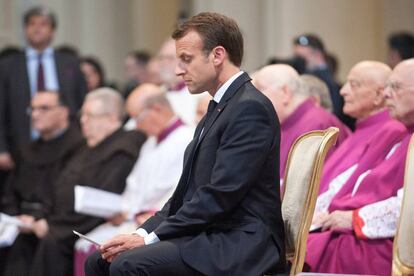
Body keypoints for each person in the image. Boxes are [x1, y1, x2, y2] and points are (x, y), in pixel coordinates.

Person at [86, 12, 285, 276]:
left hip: (240, 240)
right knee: (99, 260)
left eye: (186, 60)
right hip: (213, 232)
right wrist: (142, 232)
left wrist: (149, 240)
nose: (179, 71)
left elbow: (221, 195)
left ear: (217, 55)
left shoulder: (249, 108)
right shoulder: (218, 107)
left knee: (128, 264)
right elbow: (183, 194)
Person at [3, 88, 145, 276]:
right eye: (82, 114)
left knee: (51, 242)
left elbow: (102, 202)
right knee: (22, 242)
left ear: (111, 118)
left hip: (79, 228)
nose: (83, 120)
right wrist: (41, 218)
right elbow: (58, 186)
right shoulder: (88, 146)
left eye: (89, 115)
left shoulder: (121, 150)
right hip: (61, 222)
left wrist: (53, 226)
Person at [306, 59, 414, 275]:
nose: (386, 95)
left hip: (385, 239)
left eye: (396, 87)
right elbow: (349, 183)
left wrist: (356, 219)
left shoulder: (393, 130)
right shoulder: (405, 133)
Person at [73, 84, 194, 276]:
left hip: (154, 220)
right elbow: (134, 185)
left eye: (138, 117)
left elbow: (176, 191)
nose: (136, 126)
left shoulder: (186, 139)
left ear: (156, 109)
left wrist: (134, 213)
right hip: (132, 216)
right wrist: (122, 209)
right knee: (86, 245)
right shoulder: (150, 142)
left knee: (103, 253)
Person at [0, 5, 87, 186]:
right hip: (20, 144)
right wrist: (2, 148)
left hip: (66, 145)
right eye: (32, 24)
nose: (37, 28)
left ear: (53, 30)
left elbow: (81, 101)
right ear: (25, 29)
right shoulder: (8, 65)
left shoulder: (68, 62)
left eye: (43, 24)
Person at [0, 91, 84, 273]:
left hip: (55, 224)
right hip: (21, 226)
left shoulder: (79, 147)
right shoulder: (27, 150)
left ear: (63, 111)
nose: (36, 114)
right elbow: (11, 192)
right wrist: (15, 216)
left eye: (44, 108)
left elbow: (68, 193)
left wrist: (39, 219)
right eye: (33, 109)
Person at [316, 61, 406, 196]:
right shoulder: (362, 128)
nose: (343, 91)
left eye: (354, 85)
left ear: (379, 96)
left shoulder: (392, 131)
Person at [253, 64, 351, 181]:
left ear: (285, 93)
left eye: (259, 90)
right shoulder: (283, 123)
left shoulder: (317, 124)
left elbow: (308, 187)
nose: (254, 98)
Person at [293, 34, 354, 128]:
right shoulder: (301, 74)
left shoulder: (326, 78)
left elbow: (334, 110)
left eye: (302, 58)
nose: (299, 62)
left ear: (317, 55)